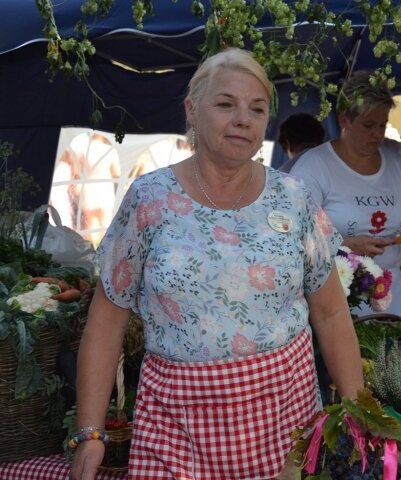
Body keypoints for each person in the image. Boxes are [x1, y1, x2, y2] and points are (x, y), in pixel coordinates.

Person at [69, 48, 363, 480]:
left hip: (285, 428)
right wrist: (89, 434)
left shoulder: (294, 198)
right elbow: (107, 318)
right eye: (226, 103)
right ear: (192, 109)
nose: (243, 118)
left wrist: (359, 416)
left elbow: (331, 311)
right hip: (175, 431)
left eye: (257, 108)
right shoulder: (149, 200)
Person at [291, 71, 401, 319]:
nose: (378, 134)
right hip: (336, 298)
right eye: (369, 125)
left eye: (383, 125)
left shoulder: (397, 165)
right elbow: (295, 235)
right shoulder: (315, 166)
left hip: (392, 295)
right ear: (344, 120)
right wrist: (345, 245)